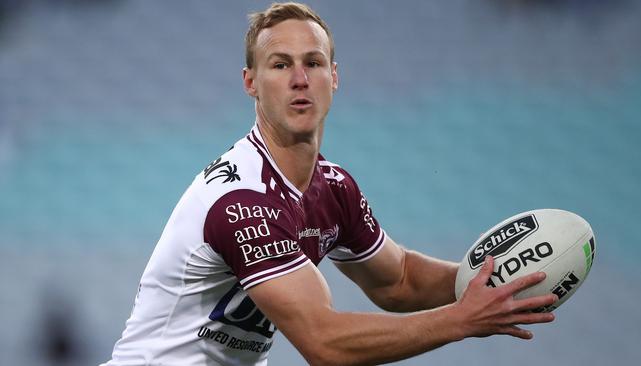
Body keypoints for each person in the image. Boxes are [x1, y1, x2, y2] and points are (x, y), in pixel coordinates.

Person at [102, 2, 557, 365]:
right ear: (251, 83)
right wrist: (461, 320)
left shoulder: (333, 188)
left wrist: (495, 277)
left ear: (334, 77)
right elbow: (325, 344)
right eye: (280, 65)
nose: (300, 80)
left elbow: (398, 280)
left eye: (313, 63)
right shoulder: (241, 201)